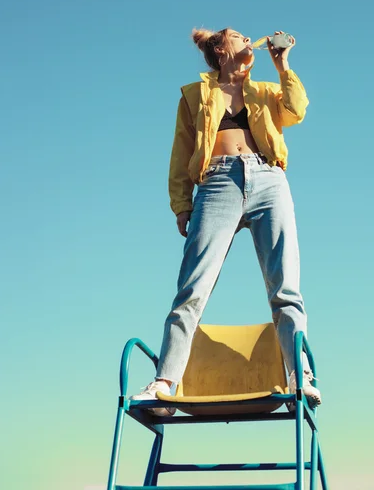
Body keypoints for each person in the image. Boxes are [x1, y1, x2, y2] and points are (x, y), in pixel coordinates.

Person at [132, 28, 320, 415]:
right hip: (216, 183)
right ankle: (164, 382)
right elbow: (180, 149)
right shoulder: (195, 95)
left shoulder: (266, 90)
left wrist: (283, 64)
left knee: (285, 287)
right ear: (220, 50)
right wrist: (181, 204)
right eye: (237, 36)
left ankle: (298, 376)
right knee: (192, 288)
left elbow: (297, 110)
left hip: (269, 179)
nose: (248, 38)